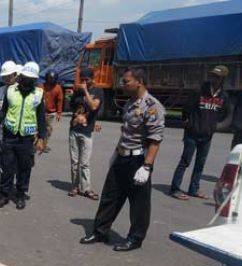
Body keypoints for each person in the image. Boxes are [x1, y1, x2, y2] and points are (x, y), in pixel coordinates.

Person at [80, 67, 165, 252]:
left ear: (139, 82)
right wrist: (115, 154)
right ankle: (100, 231)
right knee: (110, 197)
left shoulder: (152, 106)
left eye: (126, 82)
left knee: (138, 204)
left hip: (138, 160)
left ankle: (135, 239)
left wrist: (147, 167)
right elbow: (126, 133)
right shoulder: (129, 103)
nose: (122, 85)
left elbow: (155, 140)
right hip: (122, 156)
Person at [0, 62, 46, 210]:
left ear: (35, 80)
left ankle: (20, 195)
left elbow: (41, 118)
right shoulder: (11, 91)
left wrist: (41, 138)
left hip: (26, 138)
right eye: (25, 77)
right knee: (7, 167)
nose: (28, 81)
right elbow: (4, 111)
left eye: (31, 79)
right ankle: (5, 194)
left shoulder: (38, 94)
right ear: (21, 76)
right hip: (9, 135)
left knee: (24, 168)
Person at [170, 65, 230, 200]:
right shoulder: (199, 91)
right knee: (185, 161)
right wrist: (189, 123)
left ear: (223, 79)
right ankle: (175, 189)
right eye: (213, 76)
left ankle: (193, 189)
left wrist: (212, 126)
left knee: (200, 163)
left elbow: (224, 113)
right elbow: (186, 109)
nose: (214, 78)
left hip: (207, 136)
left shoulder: (223, 96)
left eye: (217, 77)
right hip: (192, 134)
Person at [68, 67, 103, 199]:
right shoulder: (77, 92)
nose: (83, 81)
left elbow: (94, 106)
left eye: (86, 79)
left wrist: (86, 91)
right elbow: (72, 107)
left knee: (85, 162)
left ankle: (86, 188)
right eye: (82, 79)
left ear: (92, 79)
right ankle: (75, 186)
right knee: (74, 161)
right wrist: (75, 93)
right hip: (74, 129)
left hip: (87, 131)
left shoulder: (98, 91)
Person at [0, 61, 21, 175]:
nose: (6, 79)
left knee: (16, 159)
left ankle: (14, 184)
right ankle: (4, 184)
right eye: (4, 77)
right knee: (3, 156)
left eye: (8, 76)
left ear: (15, 75)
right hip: (2, 131)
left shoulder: (21, 91)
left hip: (16, 132)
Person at [43, 72, 63, 153]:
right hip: (40, 112)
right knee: (36, 129)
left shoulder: (58, 88)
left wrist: (59, 112)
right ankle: (35, 143)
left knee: (48, 130)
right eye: (49, 81)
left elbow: (60, 101)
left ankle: (44, 145)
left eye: (52, 81)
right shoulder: (41, 87)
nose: (50, 83)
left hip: (50, 113)